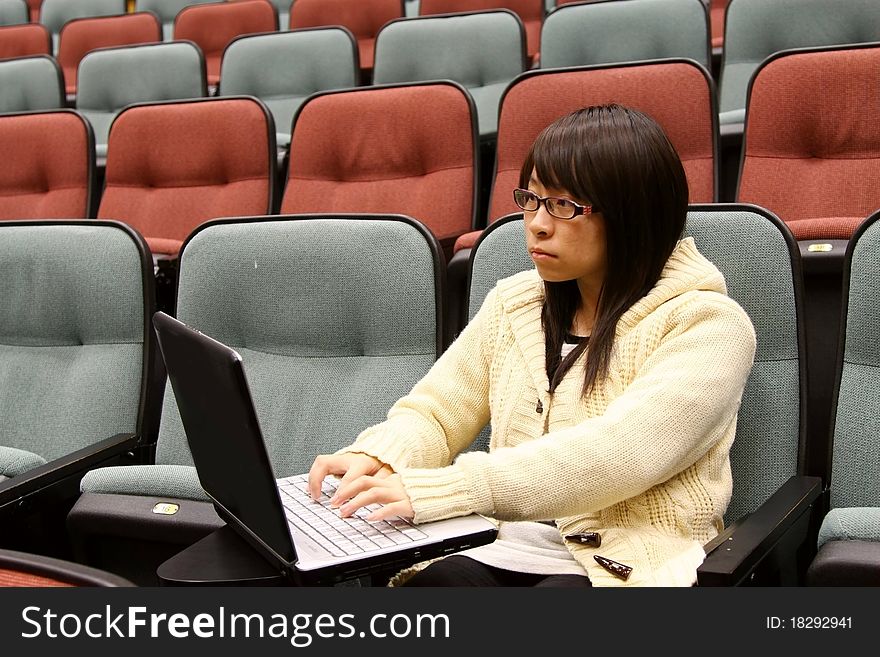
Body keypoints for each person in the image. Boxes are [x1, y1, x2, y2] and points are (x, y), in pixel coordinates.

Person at [308, 104, 757, 587]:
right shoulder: (514, 303)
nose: (537, 224)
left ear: (633, 215)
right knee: (432, 588)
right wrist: (380, 457)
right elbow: (436, 411)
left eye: (564, 205)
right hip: (501, 545)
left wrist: (453, 487)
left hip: (624, 556)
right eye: (532, 199)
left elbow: (612, 457)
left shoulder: (707, 324)